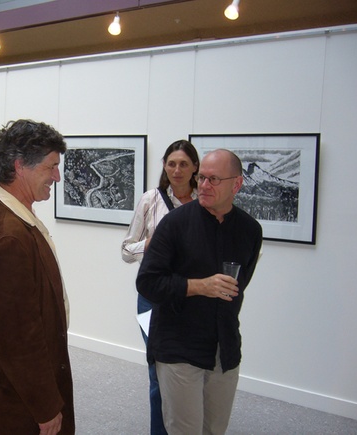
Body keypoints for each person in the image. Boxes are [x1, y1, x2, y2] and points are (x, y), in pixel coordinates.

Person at [136, 149, 262, 435]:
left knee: (215, 429)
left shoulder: (250, 230)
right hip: (179, 346)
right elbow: (148, 282)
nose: (203, 185)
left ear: (237, 184)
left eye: (214, 179)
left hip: (224, 348)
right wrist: (198, 286)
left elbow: (240, 286)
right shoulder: (175, 224)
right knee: (185, 430)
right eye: (202, 177)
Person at [0, 119, 75, 435]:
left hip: (13, 389)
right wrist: (46, 407)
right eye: (51, 166)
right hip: (19, 403)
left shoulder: (6, 213)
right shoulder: (8, 235)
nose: (57, 176)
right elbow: (18, 338)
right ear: (20, 165)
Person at [121, 139, 199, 435]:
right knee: (158, 371)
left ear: (195, 168)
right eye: (171, 163)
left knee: (190, 368)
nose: (177, 170)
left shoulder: (203, 203)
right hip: (153, 298)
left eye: (184, 164)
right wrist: (151, 245)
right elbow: (127, 251)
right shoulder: (151, 200)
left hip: (191, 296)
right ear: (164, 166)